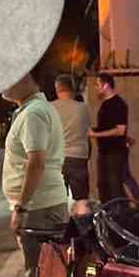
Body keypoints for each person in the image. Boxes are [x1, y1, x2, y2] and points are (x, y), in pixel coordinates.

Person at [0, 75, 67, 277]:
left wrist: (22, 206)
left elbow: (35, 161)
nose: (0, 85)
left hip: (39, 206)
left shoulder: (34, 113)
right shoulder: (32, 110)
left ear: (25, 78)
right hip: (43, 204)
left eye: (6, 78)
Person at [88, 73, 139, 205]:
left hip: (115, 152)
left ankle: (123, 213)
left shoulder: (118, 104)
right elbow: (108, 126)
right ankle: (109, 212)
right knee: (103, 185)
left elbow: (120, 130)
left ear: (106, 85)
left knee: (115, 187)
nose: (95, 88)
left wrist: (95, 135)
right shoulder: (105, 104)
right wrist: (94, 130)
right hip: (105, 151)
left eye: (97, 84)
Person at [51, 75, 91, 206]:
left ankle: (62, 225)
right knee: (82, 200)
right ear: (72, 89)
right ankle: (84, 224)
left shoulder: (49, 109)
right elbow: (88, 131)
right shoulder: (83, 108)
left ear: (57, 89)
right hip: (78, 157)